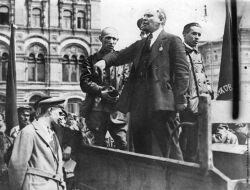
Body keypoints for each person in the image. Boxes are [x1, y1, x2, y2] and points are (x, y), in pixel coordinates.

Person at [94, 8, 189, 160]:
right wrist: (104, 62)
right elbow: (120, 55)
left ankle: (180, 180)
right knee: (141, 149)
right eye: (143, 15)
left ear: (161, 20)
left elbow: (182, 72)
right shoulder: (141, 44)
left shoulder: (172, 40)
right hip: (139, 105)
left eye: (149, 16)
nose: (144, 18)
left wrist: (180, 99)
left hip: (162, 104)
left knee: (169, 147)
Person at [80, 27, 128, 150]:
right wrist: (100, 92)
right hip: (97, 109)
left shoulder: (123, 61)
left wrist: (120, 95)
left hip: (116, 111)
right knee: (97, 144)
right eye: (108, 38)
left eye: (114, 39)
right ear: (101, 39)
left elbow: (127, 83)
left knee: (123, 143)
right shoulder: (90, 60)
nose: (111, 41)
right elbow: (84, 82)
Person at [8, 97, 67, 190]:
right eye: (60, 113)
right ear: (50, 110)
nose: (61, 116)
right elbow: (17, 167)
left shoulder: (53, 134)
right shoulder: (28, 132)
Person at [179, 22, 214, 162]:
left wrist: (209, 89)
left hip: (200, 103)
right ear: (184, 34)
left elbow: (203, 75)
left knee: (198, 140)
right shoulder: (179, 52)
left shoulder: (197, 54)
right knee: (187, 140)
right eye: (194, 33)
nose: (197, 37)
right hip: (186, 104)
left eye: (199, 34)